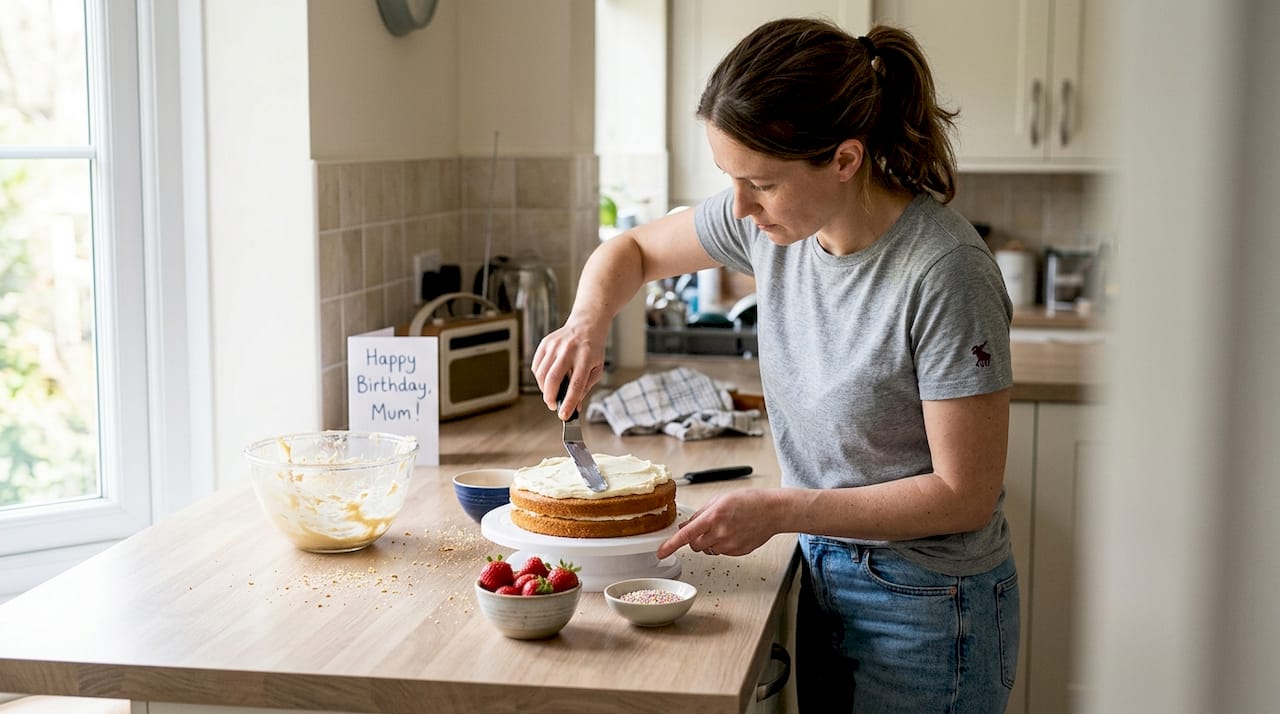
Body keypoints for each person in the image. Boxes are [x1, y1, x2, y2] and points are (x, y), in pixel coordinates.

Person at [531, 17, 1017, 713]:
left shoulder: (944, 273)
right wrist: (587, 321)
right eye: (730, 178)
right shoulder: (776, 225)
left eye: (759, 182)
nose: (739, 206)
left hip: (930, 607)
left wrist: (784, 509)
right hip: (825, 569)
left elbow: (963, 493)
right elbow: (631, 251)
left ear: (846, 160)